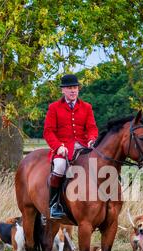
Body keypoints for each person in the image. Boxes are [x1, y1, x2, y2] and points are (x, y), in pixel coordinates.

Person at [43, 74, 98, 219]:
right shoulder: (54, 108)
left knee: (99, 163)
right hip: (63, 148)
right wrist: (58, 147)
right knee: (60, 167)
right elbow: (48, 132)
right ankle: (54, 205)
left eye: (75, 87)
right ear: (63, 90)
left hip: (83, 146)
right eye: (69, 88)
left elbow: (92, 128)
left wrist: (92, 139)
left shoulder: (86, 107)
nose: (73, 90)